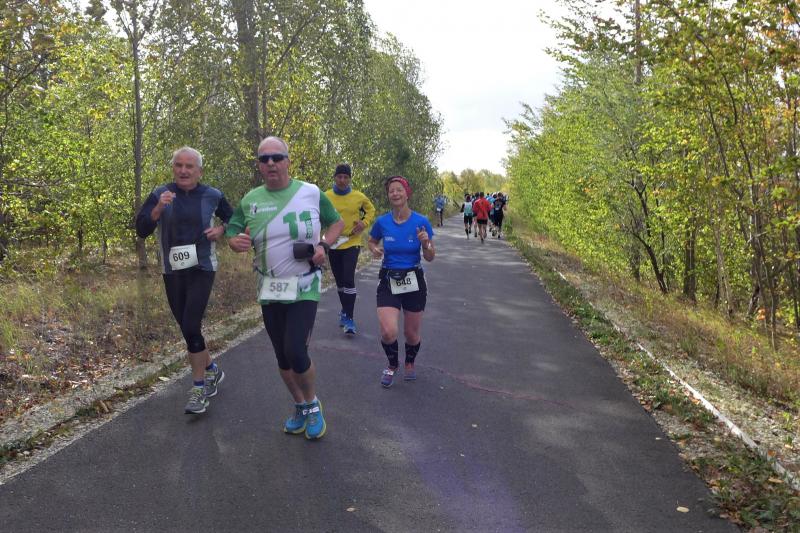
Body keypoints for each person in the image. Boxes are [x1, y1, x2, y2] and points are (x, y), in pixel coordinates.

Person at [227, 136, 344, 440]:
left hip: (304, 284)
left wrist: (323, 245)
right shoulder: (250, 199)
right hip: (270, 287)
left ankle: (313, 405)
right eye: (264, 159)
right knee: (282, 356)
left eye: (277, 157)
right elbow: (233, 230)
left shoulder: (311, 192)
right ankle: (300, 405)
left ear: (288, 161)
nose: (271, 163)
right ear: (259, 165)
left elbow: (337, 223)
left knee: (295, 349)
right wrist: (234, 241)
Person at [136, 147, 232, 415]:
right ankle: (212, 369)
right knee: (188, 330)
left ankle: (199, 390)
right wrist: (158, 209)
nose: (183, 170)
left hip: (202, 268)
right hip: (173, 270)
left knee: (191, 324)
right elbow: (141, 229)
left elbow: (235, 218)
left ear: (199, 171)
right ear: (173, 168)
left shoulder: (212, 194)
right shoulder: (161, 193)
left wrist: (221, 229)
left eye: (189, 166)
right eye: (178, 165)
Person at [367, 176, 435, 387]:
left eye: (399, 190)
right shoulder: (382, 222)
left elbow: (430, 256)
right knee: (388, 331)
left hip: (414, 279)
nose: (395, 193)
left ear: (407, 193)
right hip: (389, 278)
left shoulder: (421, 221)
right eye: (391, 191)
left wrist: (426, 244)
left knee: (411, 334)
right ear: (388, 196)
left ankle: (410, 362)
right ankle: (392, 364)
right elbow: (371, 241)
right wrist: (374, 249)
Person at [324, 163, 375, 335]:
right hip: (333, 242)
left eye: (346, 177)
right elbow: (316, 213)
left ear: (350, 179)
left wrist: (364, 223)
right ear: (335, 177)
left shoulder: (358, 196)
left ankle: (350, 319)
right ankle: (345, 311)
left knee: (348, 278)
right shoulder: (326, 196)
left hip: (352, 241)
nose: (342, 180)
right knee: (339, 281)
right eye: (339, 177)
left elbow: (371, 210)